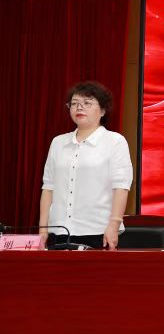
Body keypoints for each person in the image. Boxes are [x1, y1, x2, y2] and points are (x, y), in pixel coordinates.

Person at [39, 81, 133, 250]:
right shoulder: (58, 142)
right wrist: (43, 229)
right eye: (74, 103)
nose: (79, 107)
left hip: (98, 231)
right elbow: (48, 188)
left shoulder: (115, 141)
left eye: (87, 103)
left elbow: (121, 187)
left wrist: (114, 225)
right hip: (58, 231)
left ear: (103, 110)